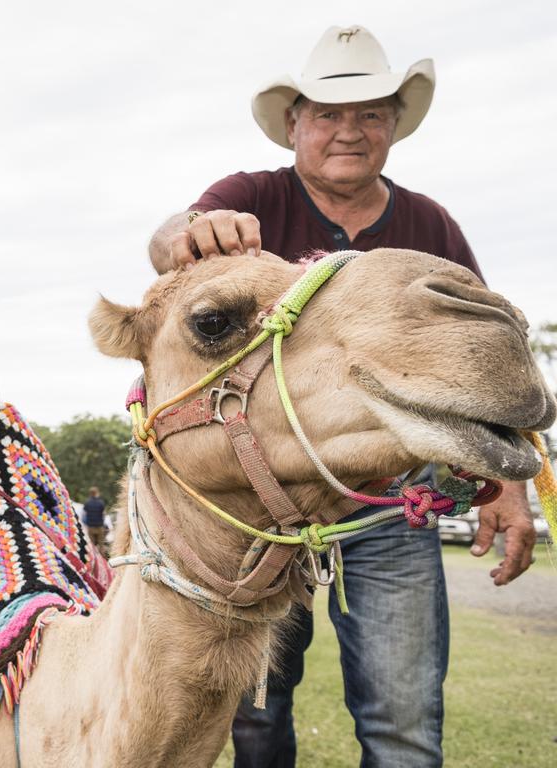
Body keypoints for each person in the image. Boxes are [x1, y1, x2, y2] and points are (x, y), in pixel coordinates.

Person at [148, 25, 537, 768]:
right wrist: (192, 232)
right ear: (294, 124)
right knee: (257, 720)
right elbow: (169, 248)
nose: (349, 130)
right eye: (328, 113)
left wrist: (509, 488)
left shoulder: (430, 226)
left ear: (393, 125)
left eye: (369, 113)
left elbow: (480, 357)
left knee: (403, 724)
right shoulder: (250, 196)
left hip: (394, 500)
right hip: (271, 503)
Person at [81, 486, 107, 555]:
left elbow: (84, 515)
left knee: (92, 546)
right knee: (101, 545)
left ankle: (94, 561)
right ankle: (103, 561)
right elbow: (104, 514)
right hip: (99, 527)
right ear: (96, 493)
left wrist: (86, 523)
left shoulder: (87, 503)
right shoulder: (101, 503)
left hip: (91, 527)